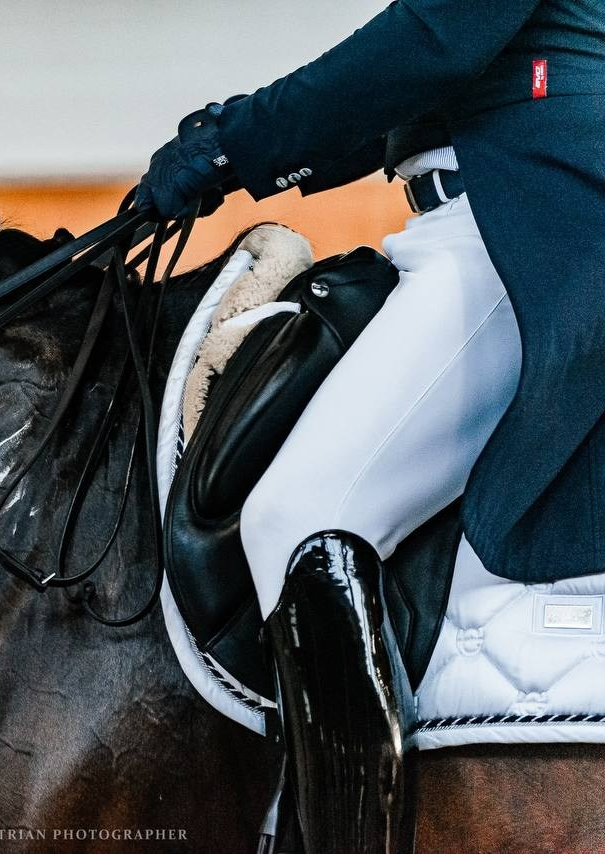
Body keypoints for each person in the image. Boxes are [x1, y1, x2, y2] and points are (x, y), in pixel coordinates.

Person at [137, 1, 605, 851]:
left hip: (528, 224)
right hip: (475, 216)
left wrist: (229, 142)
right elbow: (420, 86)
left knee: (302, 515)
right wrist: (232, 155)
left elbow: (432, 39)